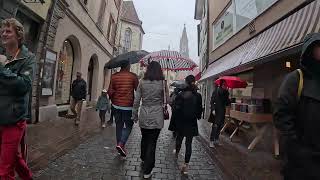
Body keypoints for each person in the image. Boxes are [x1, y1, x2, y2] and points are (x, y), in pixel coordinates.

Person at [273, 33, 320, 180]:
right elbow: (281, 114)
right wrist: (296, 147)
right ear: (310, 50)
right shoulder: (296, 78)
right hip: (301, 161)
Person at [0, 18, 34, 180]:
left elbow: (23, 86)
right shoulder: (3, 56)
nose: (3, 34)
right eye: (3, 31)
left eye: (8, 31)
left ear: (18, 35)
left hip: (14, 119)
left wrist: (1, 69)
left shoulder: (28, 59)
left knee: (4, 170)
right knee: (14, 158)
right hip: (1, 115)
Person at [132, 61, 168, 179]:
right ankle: (148, 170)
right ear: (159, 70)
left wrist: (134, 115)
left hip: (144, 114)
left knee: (145, 138)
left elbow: (137, 101)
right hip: (157, 116)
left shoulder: (142, 82)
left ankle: (143, 158)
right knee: (152, 142)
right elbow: (167, 100)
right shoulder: (162, 83)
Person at [173, 75, 203, 175]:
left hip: (182, 121)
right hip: (192, 122)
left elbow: (176, 108)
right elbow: (200, 111)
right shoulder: (198, 95)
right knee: (188, 144)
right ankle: (186, 165)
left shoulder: (181, 94)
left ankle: (177, 152)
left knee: (179, 139)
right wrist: (196, 116)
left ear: (186, 82)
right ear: (194, 82)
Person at [108, 61, 138, 157]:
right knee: (129, 126)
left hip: (116, 106)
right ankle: (121, 144)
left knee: (119, 126)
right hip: (128, 106)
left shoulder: (114, 76)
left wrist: (113, 101)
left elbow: (110, 91)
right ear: (128, 66)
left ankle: (119, 146)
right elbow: (138, 90)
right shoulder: (133, 76)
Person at [209, 80, 229, 148]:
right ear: (221, 85)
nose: (225, 86)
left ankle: (216, 139)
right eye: (223, 84)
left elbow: (227, 103)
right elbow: (212, 101)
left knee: (220, 126)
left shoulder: (226, 92)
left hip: (222, 111)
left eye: (225, 85)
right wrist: (213, 109)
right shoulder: (216, 91)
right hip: (216, 111)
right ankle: (211, 141)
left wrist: (228, 97)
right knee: (215, 126)